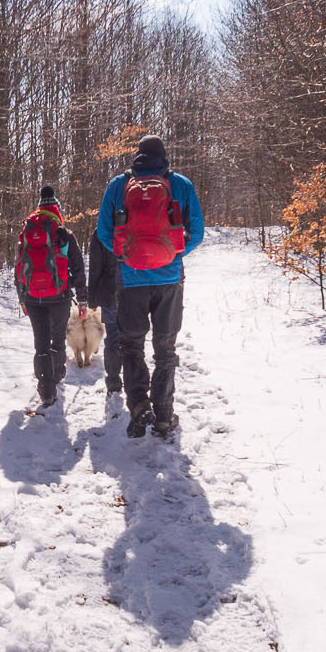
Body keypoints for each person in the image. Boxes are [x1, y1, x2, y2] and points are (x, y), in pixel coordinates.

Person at [93, 134, 205, 438]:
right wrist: (173, 253)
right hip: (169, 279)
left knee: (131, 346)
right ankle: (165, 416)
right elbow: (197, 232)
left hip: (130, 280)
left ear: (137, 156)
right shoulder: (180, 184)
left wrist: (126, 255)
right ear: (164, 156)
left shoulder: (118, 185)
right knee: (165, 349)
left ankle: (140, 405)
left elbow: (104, 232)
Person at [13, 185, 86, 407]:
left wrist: (22, 297)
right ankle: (56, 375)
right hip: (60, 296)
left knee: (40, 342)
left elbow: (18, 267)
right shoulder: (63, 233)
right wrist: (82, 299)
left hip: (33, 297)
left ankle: (46, 389)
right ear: (57, 209)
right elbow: (78, 267)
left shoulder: (25, 232)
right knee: (57, 340)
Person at [84, 231, 123, 394]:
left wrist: (92, 300)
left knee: (113, 337)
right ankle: (135, 384)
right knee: (134, 339)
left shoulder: (102, 231)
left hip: (111, 291)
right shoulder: (137, 219)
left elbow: (95, 268)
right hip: (137, 288)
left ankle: (113, 380)